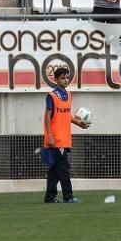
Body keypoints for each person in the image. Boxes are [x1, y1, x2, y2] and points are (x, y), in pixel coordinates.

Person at [42, 66, 89, 204]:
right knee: (64, 168)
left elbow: (67, 115)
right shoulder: (51, 96)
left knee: (55, 171)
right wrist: (49, 136)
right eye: (62, 78)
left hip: (65, 138)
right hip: (56, 139)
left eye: (67, 77)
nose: (65, 80)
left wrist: (79, 123)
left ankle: (50, 197)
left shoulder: (68, 95)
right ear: (55, 79)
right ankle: (68, 196)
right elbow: (47, 117)